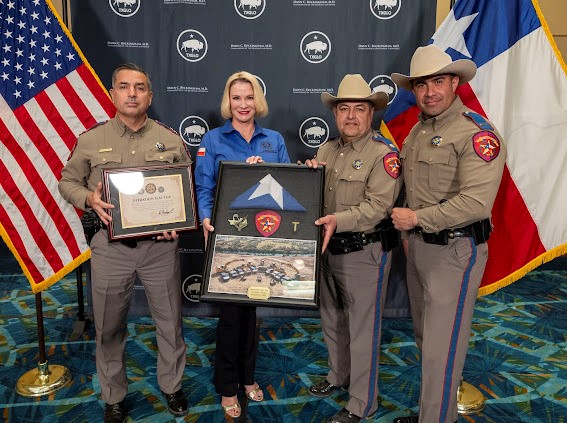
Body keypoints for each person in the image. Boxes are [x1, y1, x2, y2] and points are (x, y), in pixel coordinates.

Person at [58, 63, 190, 423]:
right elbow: (66, 183)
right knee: (109, 325)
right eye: (125, 87)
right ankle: (114, 395)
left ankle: (172, 386)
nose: (132, 93)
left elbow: (185, 190)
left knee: (169, 322)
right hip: (110, 248)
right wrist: (89, 199)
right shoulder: (90, 140)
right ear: (113, 93)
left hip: (159, 248)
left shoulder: (170, 139)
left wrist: (176, 221)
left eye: (140, 88)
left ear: (150, 95)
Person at [389, 44, 507, 423]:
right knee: (427, 340)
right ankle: (432, 412)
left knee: (443, 346)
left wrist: (416, 220)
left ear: (454, 82)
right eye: (421, 85)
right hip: (419, 249)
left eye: (438, 81)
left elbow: (475, 204)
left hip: (454, 252)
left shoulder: (477, 133)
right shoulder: (417, 131)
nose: (429, 92)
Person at [306, 74, 402, 423]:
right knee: (332, 319)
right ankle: (338, 375)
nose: (350, 116)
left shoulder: (383, 154)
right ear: (335, 114)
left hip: (366, 252)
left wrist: (336, 221)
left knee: (363, 330)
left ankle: (362, 402)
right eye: (343, 108)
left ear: (371, 112)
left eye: (358, 109)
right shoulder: (326, 150)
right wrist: (307, 179)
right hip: (329, 251)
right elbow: (316, 197)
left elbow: (377, 208)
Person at [194, 70, 290, 418]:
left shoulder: (274, 139)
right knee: (231, 315)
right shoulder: (214, 139)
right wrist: (206, 219)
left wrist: (266, 173)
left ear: (257, 100)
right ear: (228, 101)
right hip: (227, 239)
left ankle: (248, 378)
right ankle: (226, 385)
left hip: (263, 238)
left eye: (249, 97)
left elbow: (288, 188)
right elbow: (204, 187)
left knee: (252, 312)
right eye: (237, 98)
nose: (243, 104)